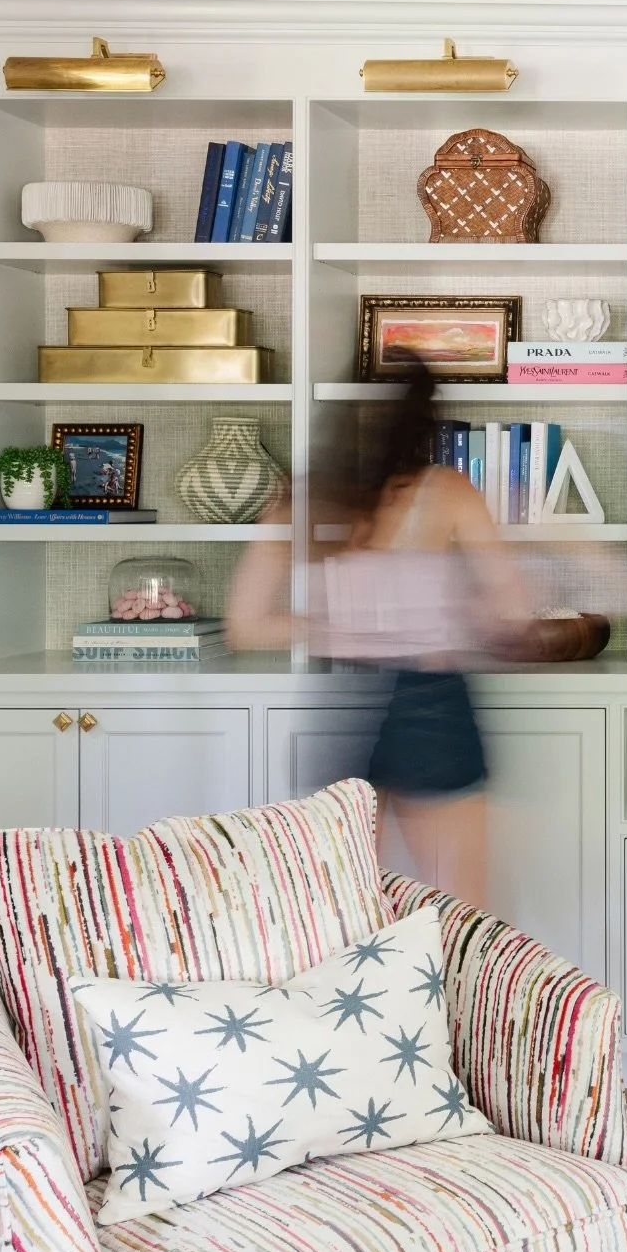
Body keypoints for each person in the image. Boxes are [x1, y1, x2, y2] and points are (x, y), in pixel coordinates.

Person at [225, 359, 531, 910]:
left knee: (340, 911)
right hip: (427, 702)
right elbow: (512, 612)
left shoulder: (301, 502)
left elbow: (245, 626)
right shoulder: (447, 491)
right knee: (460, 915)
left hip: (340, 700)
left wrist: (339, 627)